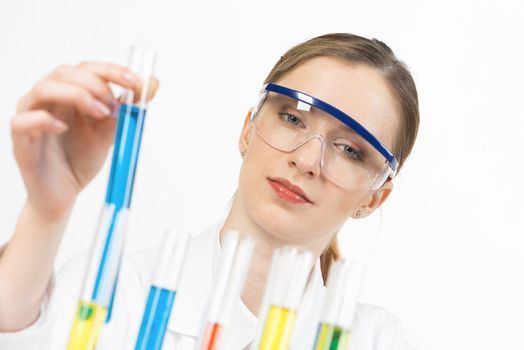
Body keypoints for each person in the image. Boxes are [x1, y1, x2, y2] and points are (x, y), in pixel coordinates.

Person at [0, 33, 419, 349]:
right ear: (247, 129)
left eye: (349, 149)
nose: (307, 160)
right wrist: (45, 210)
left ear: (374, 198)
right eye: (293, 118)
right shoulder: (118, 290)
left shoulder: (371, 339)